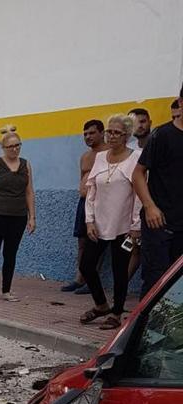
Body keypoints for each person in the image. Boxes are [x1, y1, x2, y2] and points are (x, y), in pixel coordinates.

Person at [79, 114, 142, 330]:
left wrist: (136, 226)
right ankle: (101, 305)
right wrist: (89, 221)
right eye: (109, 131)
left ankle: (116, 313)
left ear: (126, 135)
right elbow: (92, 190)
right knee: (86, 265)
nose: (111, 136)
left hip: (123, 227)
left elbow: (138, 195)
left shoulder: (136, 158)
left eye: (116, 132)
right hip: (99, 223)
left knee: (119, 270)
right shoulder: (100, 157)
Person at [0, 125, 36, 304]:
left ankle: (7, 290)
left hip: (18, 216)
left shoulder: (26, 164)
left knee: (11, 254)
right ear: (3, 148)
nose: (15, 149)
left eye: (18, 145)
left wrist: (32, 216)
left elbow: (29, 192)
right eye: (11, 146)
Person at [133, 84, 183, 297]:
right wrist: (150, 206)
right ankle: (146, 329)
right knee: (156, 282)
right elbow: (137, 174)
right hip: (160, 224)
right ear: (181, 103)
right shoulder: (162, 135)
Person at [62, 120, 109, 292]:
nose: (88, 137)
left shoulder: (108, 154)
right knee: (81, 241)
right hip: (84, 202)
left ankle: (92, 279)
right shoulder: (85, 156)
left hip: (100, 203)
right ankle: (80, 278)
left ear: (102, 133)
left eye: (91, 133)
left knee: (96, 242)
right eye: (85, 134)